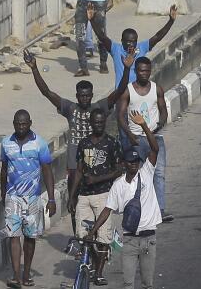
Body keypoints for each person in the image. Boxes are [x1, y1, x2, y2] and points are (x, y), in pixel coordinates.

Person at [86, 111, 161, 289]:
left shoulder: (147, 172)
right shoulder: (118, 186)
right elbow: (107, 210)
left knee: (147, 283)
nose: (134, 166)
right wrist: (93, 230)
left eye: (136, 162)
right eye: (130, 162)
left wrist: (144, 126)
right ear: (124, 163)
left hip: (149, 238)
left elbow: (155, 149)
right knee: (128, 283)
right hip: (129, 240)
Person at [23, 48, 132, 195]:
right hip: (74, 161)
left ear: (92, 95)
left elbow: (119, 91)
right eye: (81, 96)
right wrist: (35, 68)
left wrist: (126, 69)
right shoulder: (70, 108)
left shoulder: (99, 107)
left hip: (97, 159)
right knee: (74, 197)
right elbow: (46, 92)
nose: (84, 99)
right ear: (77, 95)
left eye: (87, 96)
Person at [0, 109, 55, 289]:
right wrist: (3, 194)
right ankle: (16, 276)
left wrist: (52, 199)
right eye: (18, 124)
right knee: (13, 236)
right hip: (13, 197)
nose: (21, 127)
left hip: (33, 198)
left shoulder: (39, 143)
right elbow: (4, 169)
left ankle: (26, 273)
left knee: (30, 237)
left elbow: (47, 171)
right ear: (14, 124)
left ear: (30, 123)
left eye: (24, 124)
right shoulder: (6, 143)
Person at [68, 108, 123, 285]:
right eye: (95, 122)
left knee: (103, 236)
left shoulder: (112, 143)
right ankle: (93, 261)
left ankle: (99, 272)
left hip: (104, 195)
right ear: (90, 124)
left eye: (101, 122)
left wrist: (98, 179)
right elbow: (78, 171)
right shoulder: (83, 144)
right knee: (83, 235)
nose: (98, 125)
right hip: (84, 196)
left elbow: (119, 169)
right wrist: (72, 196)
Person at [116, 57, 171, 222]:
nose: (144, 74)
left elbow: (163, 110)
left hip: (155, 137)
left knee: (159, 174)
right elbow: (120, 115)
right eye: (141, 70)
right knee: (138, 175)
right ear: (136, 71)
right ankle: (138, 211)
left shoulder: (157, 89)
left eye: (147, 70)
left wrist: (161, 122)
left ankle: (160, 210)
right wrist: (130, 135)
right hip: (137, 140)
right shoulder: (128, 90)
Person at [88, 4, 177, 90]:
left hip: (137, 93)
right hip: (121, 93)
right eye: (128, 41)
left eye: (134, 41)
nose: (131, 44)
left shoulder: (141, 48)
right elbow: (102, 37)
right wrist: (92, 20)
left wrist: (171, 21)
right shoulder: (116, 49)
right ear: (122, 41)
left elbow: (157, 37)